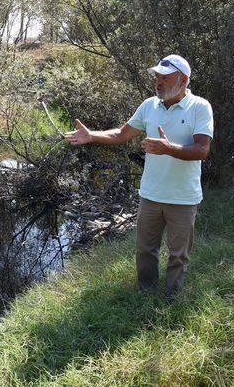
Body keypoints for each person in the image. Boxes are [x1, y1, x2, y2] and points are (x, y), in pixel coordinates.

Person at [64, 55, 214, 301]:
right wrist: (92, 136)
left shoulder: (200, 107)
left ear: (184, 79)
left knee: (178, 254)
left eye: (165, 77)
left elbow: (202, 150)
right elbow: (121, 135)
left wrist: (168, 148)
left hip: (183, 197)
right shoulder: (149, 106)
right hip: (150, 195)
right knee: (145, 250)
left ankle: (171, 299)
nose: (158, 82)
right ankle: (146, 293)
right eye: (157, 77)